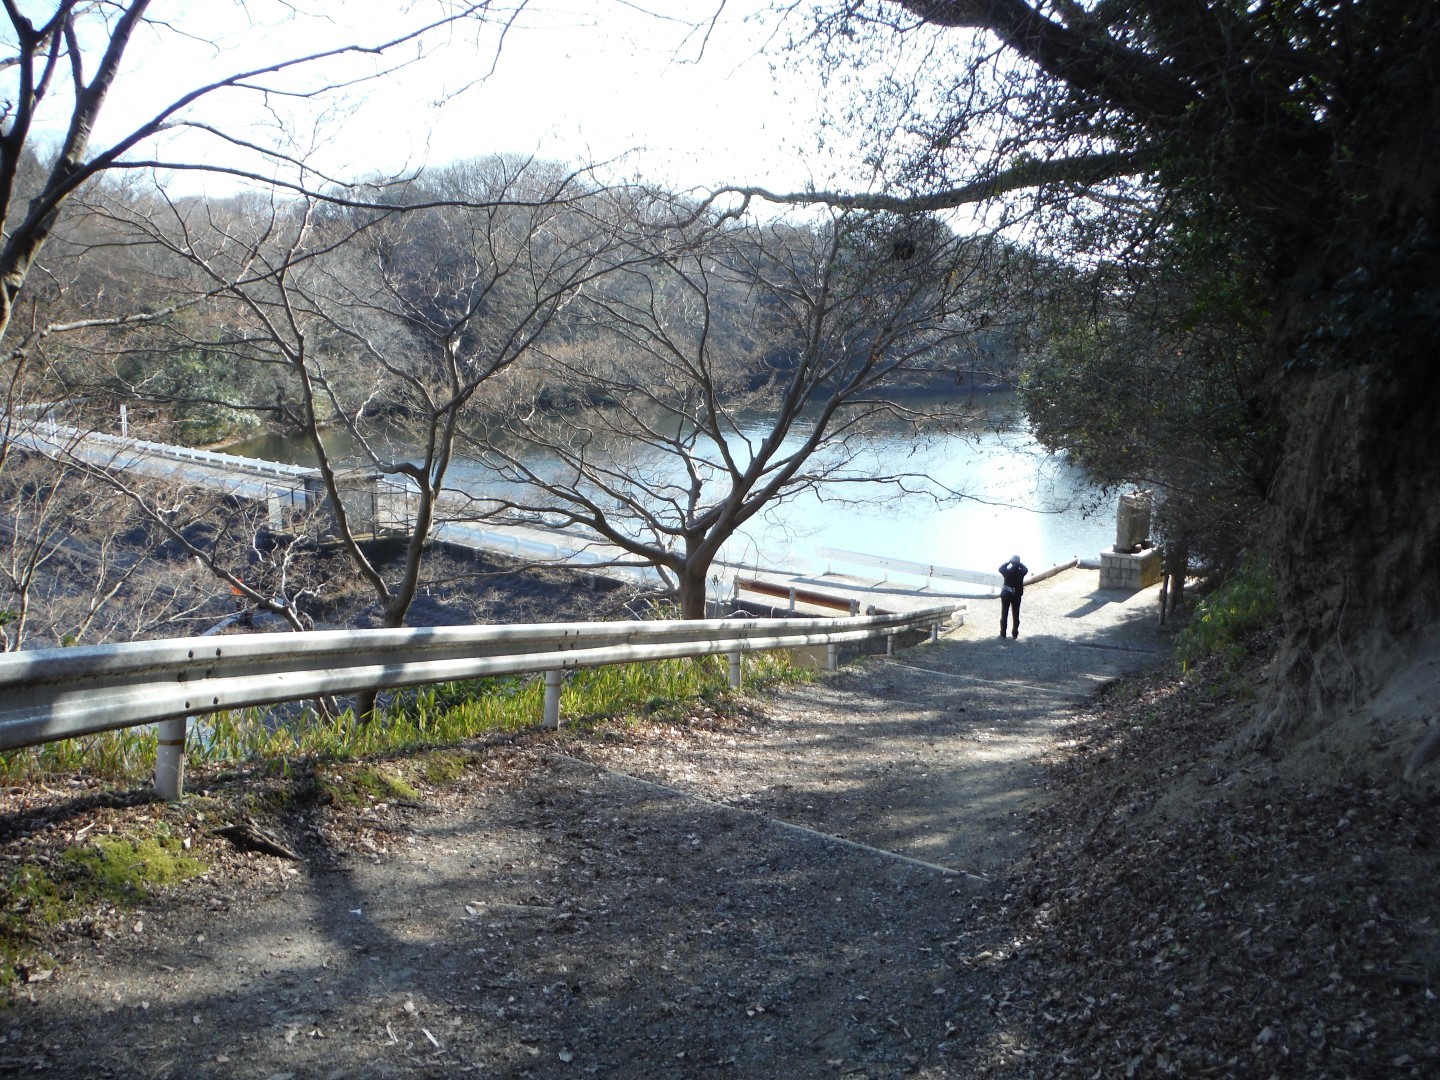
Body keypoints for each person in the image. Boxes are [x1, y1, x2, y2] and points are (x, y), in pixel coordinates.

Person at [998, 554, 1028, 638]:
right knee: (1016, 615)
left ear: (1011, 562)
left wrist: (1008, 562)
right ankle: (1015, 633)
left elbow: (1000, 568)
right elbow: (1026, 569)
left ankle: (1003, 633)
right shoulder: (1021, 572)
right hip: (1016, 595)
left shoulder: (1006, 572)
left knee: (1004, 614)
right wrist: (1018, 563)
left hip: (1006, 595)